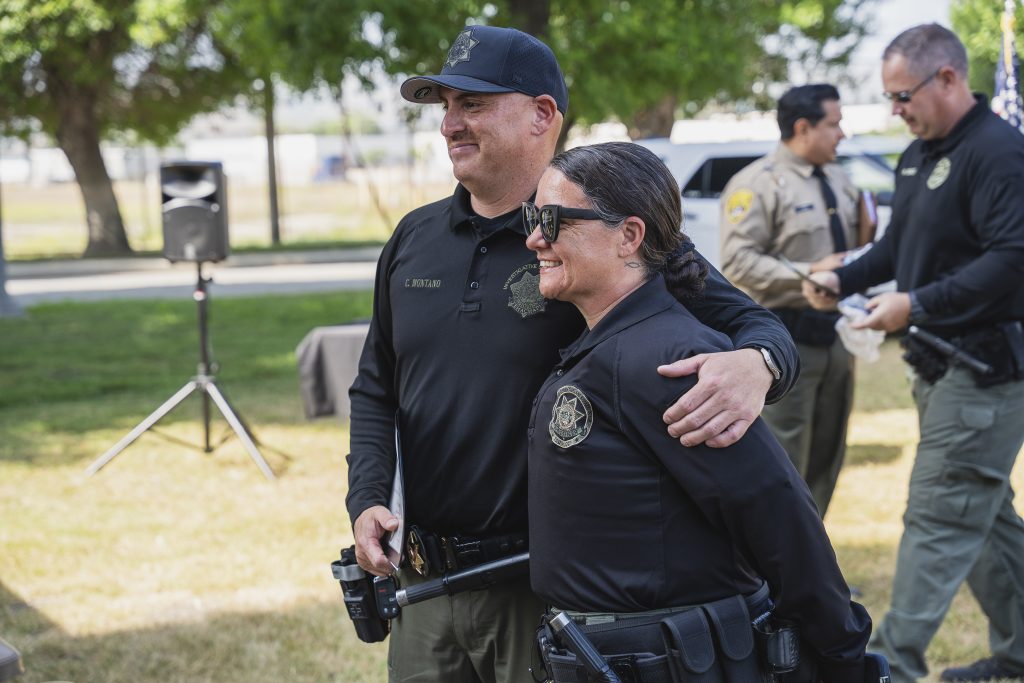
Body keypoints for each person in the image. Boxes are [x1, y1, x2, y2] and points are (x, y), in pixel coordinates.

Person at [347, 25, 799, 683]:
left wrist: (757, 363)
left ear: (542, 115)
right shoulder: (413, 238)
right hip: (424, 592)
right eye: (443, 106)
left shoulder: (597, 235)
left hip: (547, 595)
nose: (449, 123)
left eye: (471, 103)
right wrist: (365, 498)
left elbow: (755, 324)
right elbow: (374, 387)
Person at [526, 141, 874, 683]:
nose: (534, 238)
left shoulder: (672, 360)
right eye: (532, 217)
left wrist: (843, 656)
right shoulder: (621, 342)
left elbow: (776, 511)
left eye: (552, 220)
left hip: (665, 661)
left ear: (629, 236)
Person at [804, 24, 1024, 683]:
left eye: (903, 96)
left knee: (939, 515)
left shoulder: (998, 152)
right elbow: (898, 249)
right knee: (983, 519)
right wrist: (843, 277)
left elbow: (1013, 259)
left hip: (986, 368)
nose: (895, 111)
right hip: (935, 366)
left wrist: (916, 303)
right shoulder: (919, 154)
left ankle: (892, 667)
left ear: (949, 79)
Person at [720, 84, 868, 518]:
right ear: (803, 127)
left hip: (837, 340)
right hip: (788, 344)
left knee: (828, 455)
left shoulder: (840, 179)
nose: (842, 134)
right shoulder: (757, 184)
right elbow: (739, 263)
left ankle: (814, 570)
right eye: (834, 124)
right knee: (782, 464)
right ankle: (773, 577)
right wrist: (807, 277)